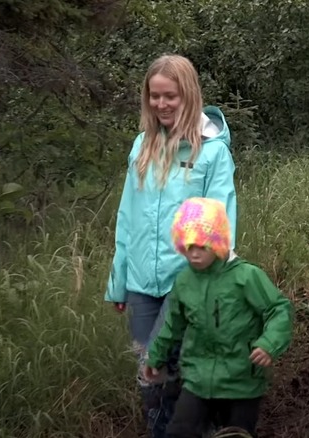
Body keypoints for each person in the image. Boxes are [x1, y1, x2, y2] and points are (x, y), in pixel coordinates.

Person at [104, 54, 238, 438]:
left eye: (171, 97)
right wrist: (119, 280)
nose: (161, 105)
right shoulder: (141, 147)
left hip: (189, 285)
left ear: (189, 96)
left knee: (166, 371)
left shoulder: (212, 153)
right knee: (152, 382)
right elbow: (127, 217)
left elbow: (221, 224)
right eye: (154, 96)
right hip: (142, 285)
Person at [143, 197, 293, 438]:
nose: (194, 254)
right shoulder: (185, 281)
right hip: (198, 379)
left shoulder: (245, 276)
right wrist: (156, 356)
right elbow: (173, 324)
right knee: (179, 431)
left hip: (241, 380)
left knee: (236, 435)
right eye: (189, 247)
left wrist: (268, 344)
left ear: (217, 243)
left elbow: (278, 309)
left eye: (202, 246)